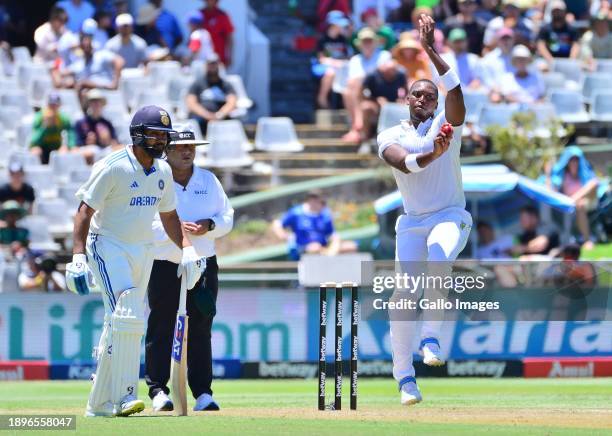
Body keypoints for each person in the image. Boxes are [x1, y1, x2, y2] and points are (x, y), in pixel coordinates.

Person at [65, 105, 206, 417]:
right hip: (107, 244)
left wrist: (187, 250)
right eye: (154, 135)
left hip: (142, 249)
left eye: (163, 136)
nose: (160, 141)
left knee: (118, 323)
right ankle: (125, 396)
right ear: (138, 134)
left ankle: (98, 404)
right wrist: (76, 257)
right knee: (127, 312)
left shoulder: (163, 172)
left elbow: (169, 217)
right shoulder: (112, 166)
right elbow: (84, 212)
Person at [376, 14, 471, 405]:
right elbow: (404, 164)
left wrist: (430, 49)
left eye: (429, 96)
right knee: (402, 298)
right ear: (407, 98)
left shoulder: (448, 125)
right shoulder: (390, 134)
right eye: (417, 94)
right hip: (412, 223)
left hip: (450, 214)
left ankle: (431, 337)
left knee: (440, 255)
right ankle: (405, 380)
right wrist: (431, 153)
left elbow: (457, 91)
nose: (423, 100)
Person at [145, 129, 233, 412]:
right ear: (167, 150)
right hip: (164, 262)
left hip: (204, 262)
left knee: (201, 325)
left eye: (191, 147)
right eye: (181, 147)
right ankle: (158, 389)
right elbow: (148, 221)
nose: (187, 152)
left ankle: (203, 393)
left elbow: (227, 217)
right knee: (161, 325)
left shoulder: (208, 179)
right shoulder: (157, 179)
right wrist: (178, 233)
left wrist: (210, 225)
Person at [272, 190, 357, 260]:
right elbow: (277, 224)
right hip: (303, 248)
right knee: (314, 248)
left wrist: (334, 243)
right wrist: (286, 236)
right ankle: (327, 258)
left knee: (351, 246)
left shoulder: (325, 214)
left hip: (323, 248)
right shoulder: (297, 213)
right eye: (321, 202)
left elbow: (331, 234)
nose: (323, 205)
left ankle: (365, 278)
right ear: (310, 201)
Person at [342, 27, 391, 143]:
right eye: (365, 41)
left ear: (375, 43)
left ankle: (356, 127)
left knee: (354, 86)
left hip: (379, 93)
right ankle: (356, 126)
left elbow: (380, 77)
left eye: (369, 41)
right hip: (362, 93)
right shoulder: (355, 59)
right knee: (348, 90)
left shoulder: (384, 55)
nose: (367, 44)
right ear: (360, 44)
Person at [545, 146, 599, 250]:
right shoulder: (562, 176)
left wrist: (574, 198)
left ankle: (587, 240)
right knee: (578, 204)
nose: (574, 162)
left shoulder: (585, 173)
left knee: (582, 200)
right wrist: (548, 175)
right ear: (567, 161)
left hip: (588, 201)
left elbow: (594, 184)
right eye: (571, 160)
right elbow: (551, 193)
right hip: (569, 204)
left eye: (576, 160)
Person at [53, 32, 124, 95]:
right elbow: (60, 73)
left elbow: (119, 61)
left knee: (82, 84)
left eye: (88, 44)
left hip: (106, 89)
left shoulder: (101, 55)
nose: (86, 46)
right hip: (89, 93)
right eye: (84, 45)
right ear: (80, 47)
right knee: (76, 85)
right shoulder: (79, 64)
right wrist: (60, 82)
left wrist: (115, 83)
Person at [186, 54, 237, 135]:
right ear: (205, 66)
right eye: (210, 64)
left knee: (233, 122)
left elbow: (232, 102)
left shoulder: (226, 84)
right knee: (194, 121)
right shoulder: (197, 83)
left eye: (214, 63)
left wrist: (219, 115)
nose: (212, 66)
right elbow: (191, 103)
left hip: (221, 117)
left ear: (219, 65)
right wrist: (207, 115)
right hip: (201, 117)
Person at [360, 60, 408, 140]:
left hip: (393, 104)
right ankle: (365, 137)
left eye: (393, 71)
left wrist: (402, 99)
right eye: (388, 71)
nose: (391, 74)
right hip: (375, 103)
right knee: (366, 107)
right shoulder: (372, 76)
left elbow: (405, 90)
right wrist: (375, 99)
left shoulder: (400, 75)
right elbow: (363, 92)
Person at [315, 11, 352, 109]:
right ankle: (322, 98)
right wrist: (334, 62)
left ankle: (347, 103)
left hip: (341, 66)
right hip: (325, 66)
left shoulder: (343, 39)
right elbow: (321, 58)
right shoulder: (322, 39)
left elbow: (347, 56)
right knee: (331, 73)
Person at [74, 88, 119, 163]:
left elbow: (115, 143)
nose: (96, 104)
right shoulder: (80, 123)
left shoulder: (107, 123)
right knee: (91, 152)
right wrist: (88, 143)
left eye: (98, 101)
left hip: (105, 151)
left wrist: (107, 140)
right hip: (89, 151)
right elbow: (77, 146)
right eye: (93, 101)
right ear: (89, 104)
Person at [30, 93, 76, 165]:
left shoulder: (63, 118)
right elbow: (34, 141)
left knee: (64, 150)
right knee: (35, 151)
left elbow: (70, 134)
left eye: (55, 105)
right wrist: (44, 127)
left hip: (56, 147)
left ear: (59, 106)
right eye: (51, 105)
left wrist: (71, 146)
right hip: (42, 147)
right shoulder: (39, 117)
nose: (53, 108)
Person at [200, 0, 234, 67]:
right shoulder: (199, 14)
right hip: (202, 58)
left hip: (219, 57)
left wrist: (229, 56)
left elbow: (229, 37)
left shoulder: (222, 15)